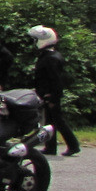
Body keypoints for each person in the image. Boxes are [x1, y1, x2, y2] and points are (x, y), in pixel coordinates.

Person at [28, 25, 79, 157]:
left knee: (58, 120)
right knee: (50, 122)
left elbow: (55, 80)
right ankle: (50, 146)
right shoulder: (51, 55)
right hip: (48, 93)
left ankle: (73, 145)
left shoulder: (50, 59)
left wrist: (52, 96)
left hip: (51, 94)